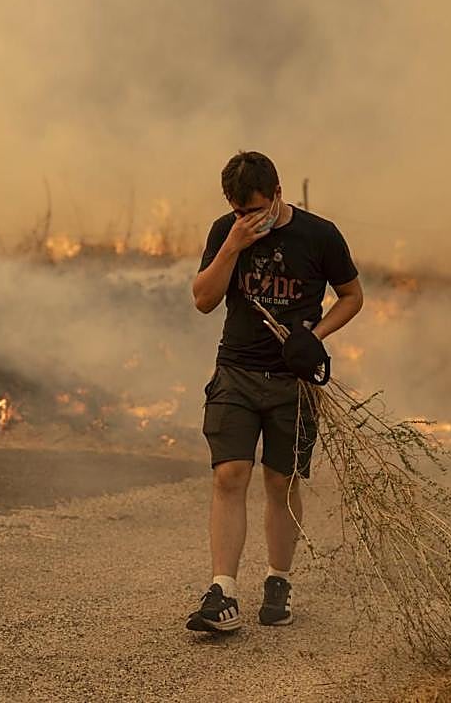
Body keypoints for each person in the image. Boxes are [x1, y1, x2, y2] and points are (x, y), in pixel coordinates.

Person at [186, 151, 363, 632]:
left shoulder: (318, 234)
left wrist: (316, 336)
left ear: (279, 194)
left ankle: (278, 581)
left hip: (293, 382)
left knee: (281, 483)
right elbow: (203, 300)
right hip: (236, 372)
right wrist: (233, 244)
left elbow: (353, 296)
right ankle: (222, 592)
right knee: (229, 476)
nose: (249, 220)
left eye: (258, 211)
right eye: (241, 211)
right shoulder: (227, 230)